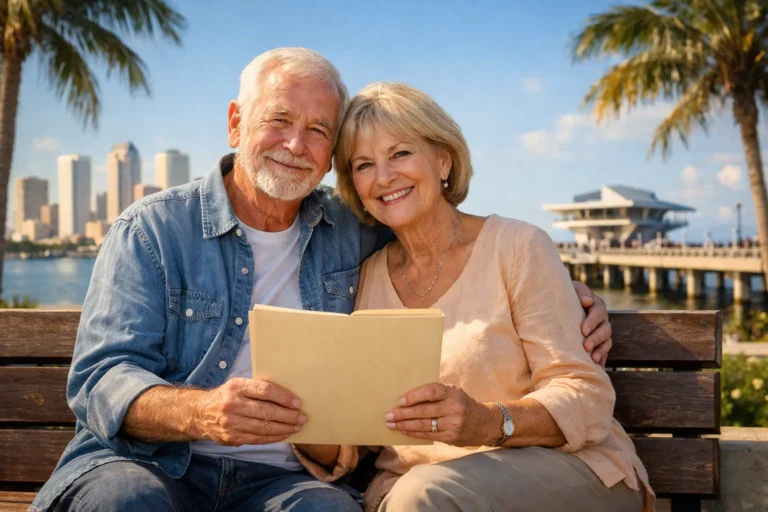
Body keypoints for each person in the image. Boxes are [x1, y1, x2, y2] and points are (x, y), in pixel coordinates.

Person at [32, 48, 614, 512]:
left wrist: (574, 297)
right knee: (126, 501)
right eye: (279, 121)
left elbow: (452, 240)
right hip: (152, 465)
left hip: (282, 483)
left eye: (317, 130)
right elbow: (100, 378)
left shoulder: (352, 231)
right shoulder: (153, 230)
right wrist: (203, 413)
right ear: (236, 123)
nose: (295, 145)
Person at [334, 82, 654, 511]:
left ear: (443, 160)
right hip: (414, 490)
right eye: (364, 164)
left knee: (421, 496)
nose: (384, 176)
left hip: (562, 469)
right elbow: (362, 427)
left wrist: (488, 422)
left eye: (400, 154)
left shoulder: (518, 246)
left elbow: (585, 394)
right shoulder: (368, 277)